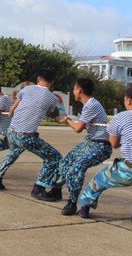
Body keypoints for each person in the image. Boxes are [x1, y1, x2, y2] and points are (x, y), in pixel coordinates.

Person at [78, 86, 132, 225]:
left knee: (99, 180)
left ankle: (85, 208)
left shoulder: (121, 117)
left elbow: (114, 144)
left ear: (129, 101)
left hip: (128, 171)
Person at [0, 68, 66, 200]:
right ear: (52, 82)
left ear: (38, 79)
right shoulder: (52, 98)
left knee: (13, 153)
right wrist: (56, 118)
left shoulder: (26, 89)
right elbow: (48, 114)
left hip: (12, 131)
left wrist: (12, 112)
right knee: (54, 158)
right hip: (26, 135)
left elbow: (13, 107)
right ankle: (39, 188)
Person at [55, 78, 113, 215]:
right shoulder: (90, 104)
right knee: (65, 162)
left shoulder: (91, 105)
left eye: (74, 89)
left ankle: (72, 202)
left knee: (76, 168)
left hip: (101, 146)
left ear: (79, 90)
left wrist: (67, 120)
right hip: (91, 142)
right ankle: (56, 190)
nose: (73, 92)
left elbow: (78, 128)